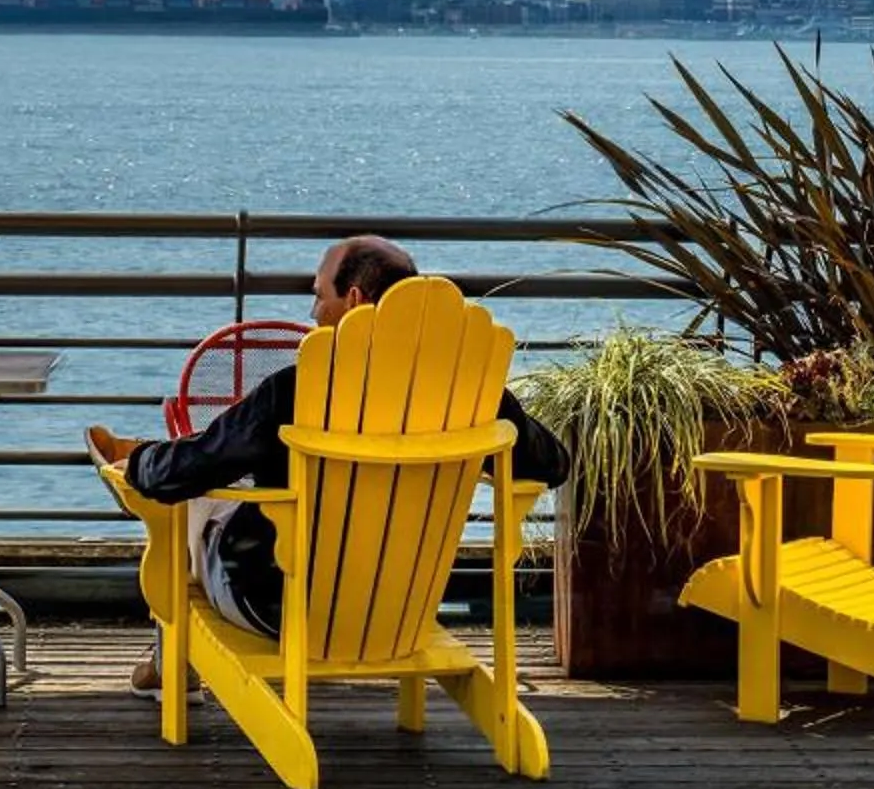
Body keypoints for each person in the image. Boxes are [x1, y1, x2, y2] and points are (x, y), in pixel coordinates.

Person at [87, 236, 570, 695]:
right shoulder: (466, 392)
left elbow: (189, 468)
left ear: (354, 300)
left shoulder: (296, 391)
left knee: (196, 499)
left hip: (282, 606)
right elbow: (553, 465)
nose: (313, 312)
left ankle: (170, 668)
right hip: (405, 609)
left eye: (318, 297)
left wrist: (138, 464)